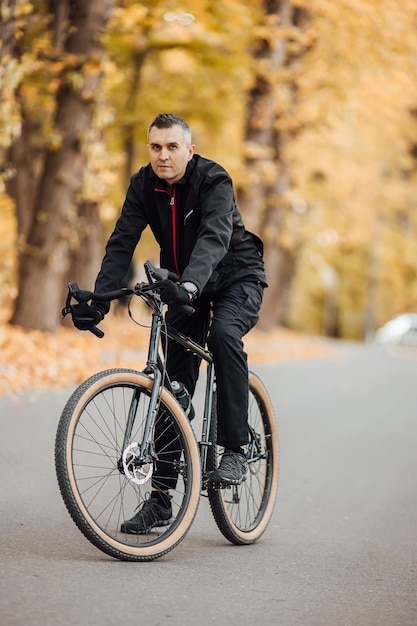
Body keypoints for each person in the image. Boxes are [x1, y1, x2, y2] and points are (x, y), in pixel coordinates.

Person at [71, 113, 267, 534]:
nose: (163, 155)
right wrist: (101, 300)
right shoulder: (143, 184)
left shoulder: (214, 180)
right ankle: (160, 499)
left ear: (189, 150)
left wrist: (192, 285)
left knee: (223, 335)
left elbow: (215, 235)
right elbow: (122, 241)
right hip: (181, 285)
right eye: (156, 147)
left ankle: (233, 448)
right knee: (172, 384)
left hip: (235, 277)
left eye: (172, 147)